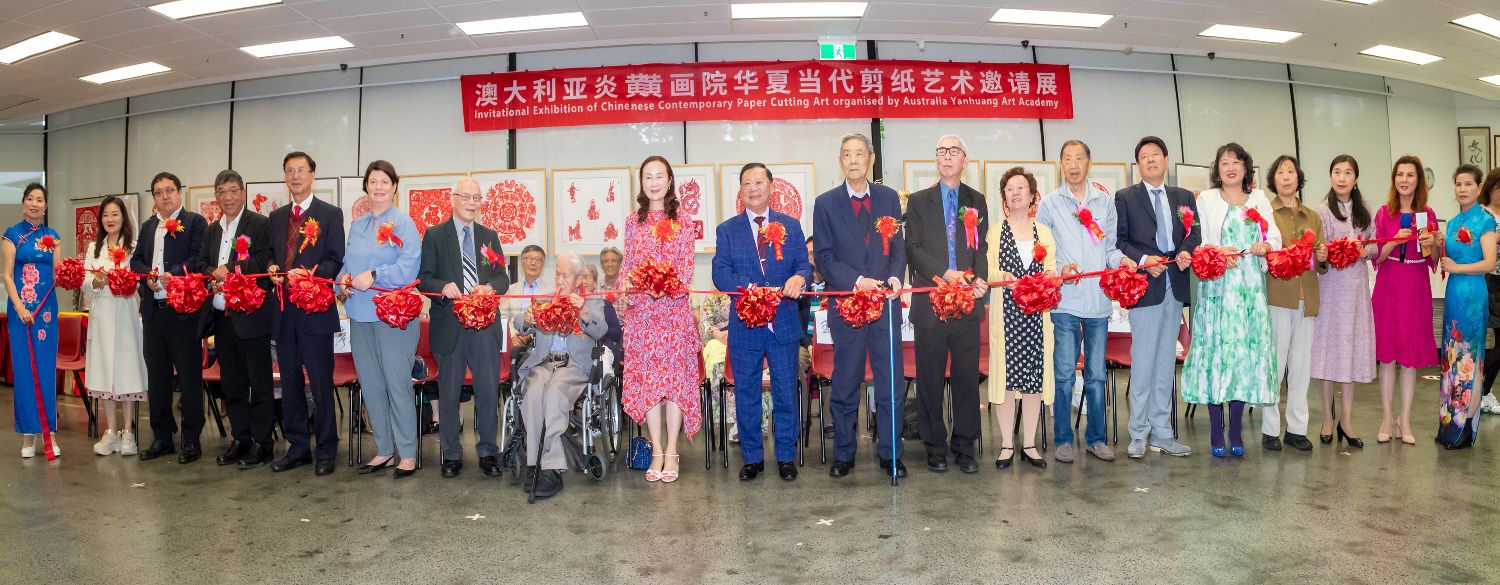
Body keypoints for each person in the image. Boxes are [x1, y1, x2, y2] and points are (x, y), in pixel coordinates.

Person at [813, 132, 908, 478]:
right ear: (840, 161)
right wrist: (856, 281)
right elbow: (824, 257)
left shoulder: (889, 198)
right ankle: (844, 454)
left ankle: (891, 453)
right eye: (846, 154)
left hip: (885, 305)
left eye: (858, 154)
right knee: (845, 382)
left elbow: (897, 248)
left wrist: (895, 278)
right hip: (847, 307)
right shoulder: (825, 203)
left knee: (890, 383)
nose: (853, 160)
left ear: (870, 159)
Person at [712, 162, 813, 482]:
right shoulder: (728, 230)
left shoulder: (790, 225)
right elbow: (720, 273)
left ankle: (785, 456)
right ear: (740, 190)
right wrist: (750, 290)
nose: (753, 188)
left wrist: (800, 277)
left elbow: (805, 266)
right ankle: (752, 458)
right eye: (747, 183)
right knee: (746, 394)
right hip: (746, 325)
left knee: (785, 392)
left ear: (771, 187)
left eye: (759, 182)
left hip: (783, 324)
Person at [1036, 139, 1134, 464]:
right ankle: (1064, 439)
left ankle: (1096, 439)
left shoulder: (1104, 202)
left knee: (1096, 375)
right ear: (1061, 164)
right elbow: (1043, 252)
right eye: (1068, 158)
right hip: (1065, 302)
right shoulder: (1050, 204)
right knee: (1064, 374)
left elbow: (1110, 249)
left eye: (1079, 158)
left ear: (1089, 162)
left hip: (1098, 303)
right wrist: (1058, 269)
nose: (1074, 164)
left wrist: (1122, 261)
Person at [1179, 143, 1280, 458]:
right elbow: (1198, 241)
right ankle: (1215, 429)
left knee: (1242, 359)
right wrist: (1217, 252)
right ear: (1217, 169)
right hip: (1218, 290)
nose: (1231, 167)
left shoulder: (1259, 198)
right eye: (1225, 162)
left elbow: (1273, 237)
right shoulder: (1206, 199)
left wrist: (1266, 246)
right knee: (1216, 356)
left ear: (1246, 167)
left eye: (1236, 162)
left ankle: (1236, 429)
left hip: (1249, 291)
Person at [903, 135, 988, 474]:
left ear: (965, 160)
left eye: (954, 151)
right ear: (936, 159)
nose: (947, 157)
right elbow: (913, 248)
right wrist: (945, 273)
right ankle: (934, 446)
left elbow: (980, 248)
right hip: (931, 302)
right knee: (930, 379)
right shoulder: (919, 201)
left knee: (966, 378)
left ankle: (964, 446)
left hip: (967, 302)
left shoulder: (976, 199)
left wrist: (979, 279)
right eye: (941, 151)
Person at [417, 176, 509, 478]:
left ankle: (488, 452)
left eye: (476, 198)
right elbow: (424, 279)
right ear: (453, 199)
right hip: (450, 325)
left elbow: (502, 278)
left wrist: (489, 288)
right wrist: (442, 287)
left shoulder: (489, 236)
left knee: (487, 390)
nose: (471, 203)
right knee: (449, 392)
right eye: (466, 197)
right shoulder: (435, 235)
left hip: (484, 325)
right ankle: (451, 453)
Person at [1114, 136, 1200, 459]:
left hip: (1174, 285)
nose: (1150, 160)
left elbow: (1195, 234)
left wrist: (1185, 252)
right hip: (1145, 287)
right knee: (1143, 362)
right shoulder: (1126, 197)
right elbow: (1120, 241)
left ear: (1165, 159)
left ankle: (1162, 432)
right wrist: (1142, 261)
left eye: (1155, 155)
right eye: (1144, 156)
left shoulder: (1183, 197)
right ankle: (1138, 433)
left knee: (1166, 362)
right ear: (1138, 165)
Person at [338, 160, 422, 477]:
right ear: (366, 187)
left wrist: (375, 274)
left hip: (393, 317)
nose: (378, 187)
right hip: (360, 315)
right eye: (373, 181)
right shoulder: (358, 226)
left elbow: (408, 269)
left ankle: (408, 454)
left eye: (385, 181)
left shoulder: (404, 223)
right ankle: (384, 450)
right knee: (372, 385)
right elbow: (347, 265)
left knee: (396, 384)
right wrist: (342, 282)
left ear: (395, 187)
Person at [621, 155, 700, 483]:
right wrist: (627, 288)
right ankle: (656, 450)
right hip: (642, 318)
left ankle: (672, 450)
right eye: (647, 177)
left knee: (675, 386)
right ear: (641, 182)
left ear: (669, 182)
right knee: (650, 385)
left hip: (673, 316)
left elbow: (686, 267)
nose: (653, 182)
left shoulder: (684, 220)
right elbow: (627, 264)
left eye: (659, 176)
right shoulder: (632, 221)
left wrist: (663, 285)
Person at [266, 151, 346, 475]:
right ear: (285, 176)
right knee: (290, 384)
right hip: (284, 312)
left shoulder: (329, 214)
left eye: (301, 170)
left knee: (321, 383)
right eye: (290, 170)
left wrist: (310, 275)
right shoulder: (276, 217)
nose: (295, 176)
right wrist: (272, 269)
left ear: (313, 175)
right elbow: (269, 256)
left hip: (315, 310)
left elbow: (335, 259)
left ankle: (326, 448)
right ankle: (297, 447)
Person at [197, 170, 276, 469]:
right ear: (216, 196)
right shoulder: (211, 230)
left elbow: (263, 262)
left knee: (259, 383)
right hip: (222, 318)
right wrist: (212, 275)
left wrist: (229, 269)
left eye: (232, 191)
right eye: (222, 192)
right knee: (232, 385)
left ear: (242, 193)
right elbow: (202, 264)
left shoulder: (260, 224)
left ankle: (263, 444)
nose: (227, 197)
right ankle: (241, 439)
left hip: (251, 316)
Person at [512, 253, 607, 499]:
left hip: (573, 366)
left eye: (565, 275)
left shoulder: (591, 300)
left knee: (555, 392)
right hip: (544, 362)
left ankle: (552, 468)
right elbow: (518, 322)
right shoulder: (544, 298)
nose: (559, 279)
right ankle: (534, 463)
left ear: (578, 279)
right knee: (533, 391)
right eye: (557, 274)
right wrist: (527, 319)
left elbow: (601, 329)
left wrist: (583, 311)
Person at [130, 172, 208, 464]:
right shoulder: (148, 226)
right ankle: (162, 437)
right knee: (158, 378)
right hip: (153, 313)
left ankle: (191, 439)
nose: (165, 196)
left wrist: (171, 275)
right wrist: (148, 276)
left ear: (179, 192)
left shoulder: (195, 222)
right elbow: (136, 260)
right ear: (154, 197)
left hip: (183, 313)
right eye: (159, 192)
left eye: (169, 190)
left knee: (189, 378)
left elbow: (197, 259)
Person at [987, 167, 1055, 470]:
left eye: (1021, 188)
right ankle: (1006, 444)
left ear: (1032, 195)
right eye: (1010, 189)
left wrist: (1050, 276)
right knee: (1004, 380)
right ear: (1004, 197)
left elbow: (1051, 268)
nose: (1015, 193)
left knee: (1032, 379)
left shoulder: (1044, 232)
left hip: (1037, 317)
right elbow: (987, 269)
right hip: (1007, 316)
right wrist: (1001, 275)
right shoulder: (995, 231)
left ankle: (1029, 443)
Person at [1371, 155, 1439, 446]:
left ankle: (1405, 418)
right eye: (1400, 174)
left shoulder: (1428, 214)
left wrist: (1433, 244)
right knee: (1387, 356)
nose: (1404, 180)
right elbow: (1376, 257)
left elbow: (1434, 260)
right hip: (1388, 285)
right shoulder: (1383, 213)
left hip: (1415, 285)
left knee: (1410, 358)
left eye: (1410, 175)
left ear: (1418, 180)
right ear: (1394, 179)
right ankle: (1387, 418)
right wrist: (1395, 241)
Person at [1311, 155, 1375, 447]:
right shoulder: (1321, 211)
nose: (1342, 177)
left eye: (1348, 172)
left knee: (1350, 354)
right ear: (1330, 176)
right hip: (1330, 290)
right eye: (1337, 172)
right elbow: (1317, 254)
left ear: (1355, 178)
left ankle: (1346, 422)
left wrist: (1363, 251)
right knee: (1327, 354)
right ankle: (1327, 418)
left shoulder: (1366, 210)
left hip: (1356, 291)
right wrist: (1326, 253)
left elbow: (1374, 247)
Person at [1263, 155, 1325, 452]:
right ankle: (1270, 429)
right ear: (1273, 180)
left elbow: (1322, 263)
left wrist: (1322, 257)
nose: (1286, 176)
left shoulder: (1312, 217)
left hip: (1307, 297)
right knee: (1274, 366)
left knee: (1301, 367)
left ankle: (1297, 429)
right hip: (1277, 296)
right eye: (1280, 172)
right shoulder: (1266, 213)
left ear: (1299, 178)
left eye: (1291, 171)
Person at [1436, 165, 1496, 449]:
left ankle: (1466, 427)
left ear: (1479, 187)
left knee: (1471, 359)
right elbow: (1443, 258)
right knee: (1452, 359)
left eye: (1468, 184)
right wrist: (1437, 244)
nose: (1462, 189)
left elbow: (1489, 263)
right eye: (1458, 184)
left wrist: (1457, 267)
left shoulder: (1485, 221)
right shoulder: (1452, 223)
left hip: (1473, 296)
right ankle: (1450, 426)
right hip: (1453, 294)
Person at [86, 196, 147, 457]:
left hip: (124, 312)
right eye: (105, 215)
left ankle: (128, 432)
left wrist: (122, 282)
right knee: (104, 373)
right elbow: (85, 281)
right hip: (101, 313)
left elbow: (137, 279)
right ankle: (111, 432)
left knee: (126, 370)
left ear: (123, 217)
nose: (110, 219)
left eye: (115, 214)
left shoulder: (133, 247)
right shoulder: (94, 248)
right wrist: (95, 282)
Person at [3, 183, 60, 458]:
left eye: (40, 200)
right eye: (30, 198)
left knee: (47, 369)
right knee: (24, 370)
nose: (35, 204)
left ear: (45, 206)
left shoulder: (53, 237)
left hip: (46, 312)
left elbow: (60, 274)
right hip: (21, 312)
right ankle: (28, 435)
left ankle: (49, 431)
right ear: (23, 203)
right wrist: (19, 307)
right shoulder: (12, 234)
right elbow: (6, 276)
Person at [1481, 170, 1500, 415]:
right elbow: (1480, 241)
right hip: (1490, 280)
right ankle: (1478, 386)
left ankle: (1484, 391)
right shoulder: (1482, 214)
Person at [578, 264, 622, 368]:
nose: (583, 281)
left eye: (586, 277)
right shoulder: (569, 305)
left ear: (595, 283)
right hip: (578, 349)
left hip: (601, 348)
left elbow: (617, 333)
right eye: (580, 277)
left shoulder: (605, 305)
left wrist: (600, 329)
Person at [504, 244, 547, 350]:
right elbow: (503, 317)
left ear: (543, 265)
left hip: (539, 343)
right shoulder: (509, 290)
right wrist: (512, 336)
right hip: (513, 340)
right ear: (521, 263)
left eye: (538, 260)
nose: (533, 263)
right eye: (529, 259)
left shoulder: (551, 292)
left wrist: (530, 336)